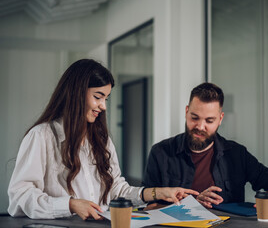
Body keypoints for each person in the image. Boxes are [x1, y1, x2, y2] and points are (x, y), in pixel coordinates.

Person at [8, 59, 198, 220]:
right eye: (98, 97)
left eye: (106, 98)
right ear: (76, 93)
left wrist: (158, 192)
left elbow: (116, 189)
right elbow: (20, 196)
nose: (103, 106)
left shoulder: (100, 140)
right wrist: (71, 205)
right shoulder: (41, 136)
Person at [142, 82, 268, 210]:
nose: (200, 126)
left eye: (209, 120)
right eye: (194, 118)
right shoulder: (160, 152)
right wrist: (189, 205)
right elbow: (149, 206)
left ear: (220, 119)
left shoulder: (237, 154)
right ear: (186, 112)